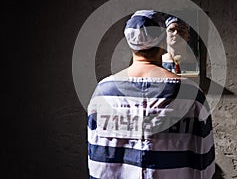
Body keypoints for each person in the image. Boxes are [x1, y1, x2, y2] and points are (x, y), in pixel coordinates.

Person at [87, 10, 215, 178]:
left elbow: (96, 158)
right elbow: (204, 161)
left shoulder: (102, 92)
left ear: (129, 42)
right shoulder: (190, 95)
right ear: (163, 41)